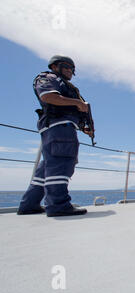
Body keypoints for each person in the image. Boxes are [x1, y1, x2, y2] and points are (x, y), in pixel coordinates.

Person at [17, 55, 93, 217]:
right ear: (54, 66)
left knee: (48, 165)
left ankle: (29, 204)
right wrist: (78, 103)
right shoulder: (48, 78)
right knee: (63, 161)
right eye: (66, 66)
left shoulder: (64, 84)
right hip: (59, 127)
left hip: (58, 126)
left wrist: (84, 128)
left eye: (72, 69)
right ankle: (58, 205)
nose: (70, 71)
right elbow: (48, 97)